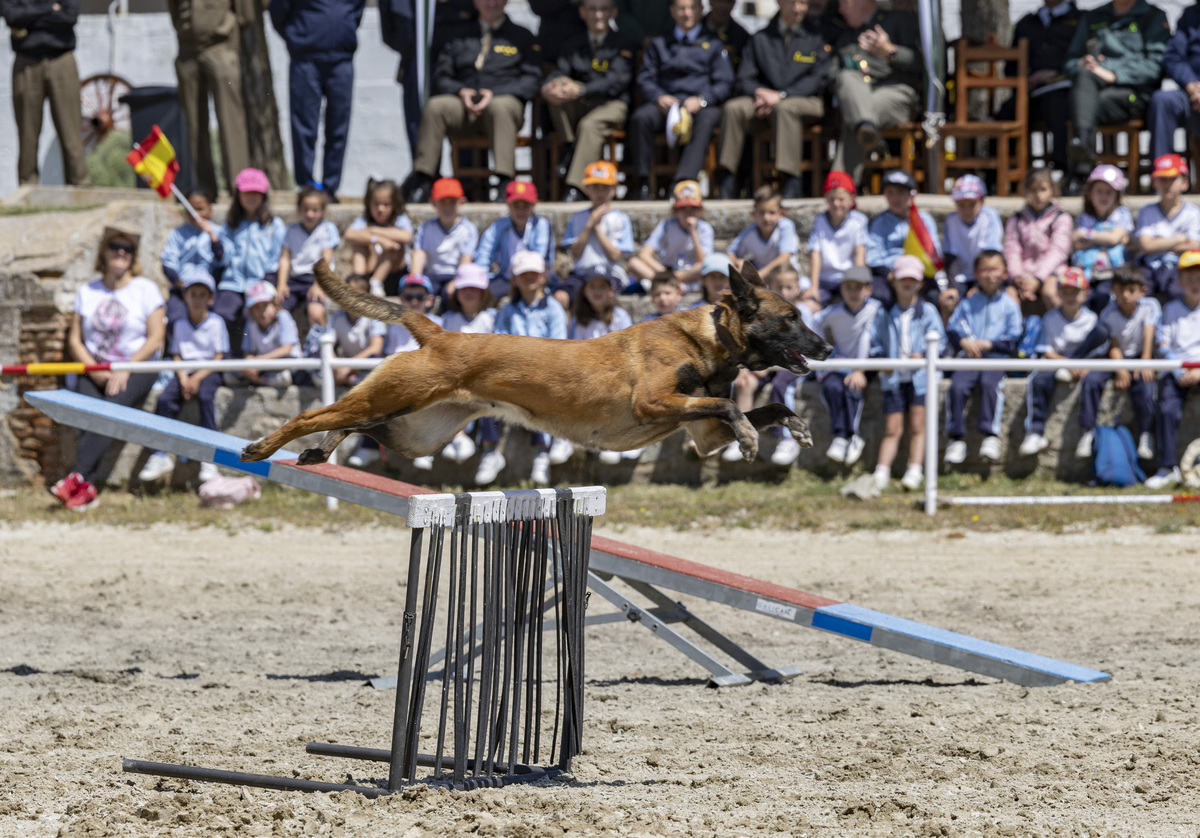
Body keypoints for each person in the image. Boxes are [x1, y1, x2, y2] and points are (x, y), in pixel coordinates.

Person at [52, 226, 166, 511]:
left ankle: (76, 477)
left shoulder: (145, 289)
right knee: (90, 413)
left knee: (109, 412)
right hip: (95, 367)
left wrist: (126, 368)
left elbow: (156, 338)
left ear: (133, 256)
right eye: (115, 246)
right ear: (103, 252)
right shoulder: (88, 291)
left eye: (127, 249)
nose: (121, 253)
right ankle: (86, 489)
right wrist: (93, 369)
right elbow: (75, 339)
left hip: (138, 367)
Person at [401, 0, 543, 203]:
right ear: (475, 3)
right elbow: (441, 77)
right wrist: (461, 92)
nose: (491, 3)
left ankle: (504, 181)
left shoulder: (521, 35)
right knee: (435, 107)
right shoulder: (459, 36)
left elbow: (532, 80)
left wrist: (495, 93)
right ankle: (423, 178)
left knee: (499, 107)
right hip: (465, 106)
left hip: (503, 106)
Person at [715, 0, 831, 200]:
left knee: (785, 109)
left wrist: (781, 95)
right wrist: (760, 93)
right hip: (765, 100)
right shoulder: (760, 38)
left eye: (802, 3)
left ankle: (791, 181)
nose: (798, 8)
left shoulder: (817, 38)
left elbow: (819, 79)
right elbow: (744, 77)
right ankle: (726, 181)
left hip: (805, 101)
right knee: (733, 108)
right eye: (792, 3)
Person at [628, 0, 734, 200]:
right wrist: (658, 96)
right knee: (641, 118)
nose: (687, 13)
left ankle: (682, 182)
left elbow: (725, 82)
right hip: (666, 105)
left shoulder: (714, 43)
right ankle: (642, 183)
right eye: (682, 8)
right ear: (672, 11)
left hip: (700, 105)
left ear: (701, 10)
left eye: (692, 8)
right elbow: (645, 78)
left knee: (709, 119)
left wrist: (702, 100)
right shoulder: (659, 43)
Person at [482, 251, 573, 485]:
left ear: (543, 276)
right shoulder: (508, 309)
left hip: (544, 371)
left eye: (534, 273)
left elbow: (558, 346)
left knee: (538, 392)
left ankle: (542, 452)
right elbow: (499, 341)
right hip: (513, 371)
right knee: (484, 391)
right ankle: (490, 451)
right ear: (515, 278)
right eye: (524, 274)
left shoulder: (553, 308)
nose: (529, 278)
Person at [1062, 0, 1169, 187]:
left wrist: (1113, 73)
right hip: (1093, 90)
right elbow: (1070, 61)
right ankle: (1083, 147)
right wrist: (1083, 62)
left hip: (1134, 93)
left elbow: (1155, 66)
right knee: (1082, 80)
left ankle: (1081, 167)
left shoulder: (1153, 16)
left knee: (1083, 103)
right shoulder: (1093, 16)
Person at [138, 267, 229, 486]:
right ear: (185, 297)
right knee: (164, 400)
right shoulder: (179, 324)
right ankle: (160, 454)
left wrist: (197, 378)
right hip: (185, 373)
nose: (197, 300)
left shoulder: (216, 323)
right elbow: (177, 354)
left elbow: (219, 357)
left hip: (208, 372)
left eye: (202, 295)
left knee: (206, 398)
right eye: (193, 294)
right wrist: (183, 377)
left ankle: (210, 455)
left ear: (210, 298)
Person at [540, 0, 636, 201]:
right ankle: (570, 147)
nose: (598, 15)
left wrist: (581, 89)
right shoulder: (572, 42)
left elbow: (617, 81)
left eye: (603, 9)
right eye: (592, 9)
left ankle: (576, 188)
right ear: (582, 12)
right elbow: (560, 71)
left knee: (589, 125)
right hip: (581, 102)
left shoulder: (623, 42)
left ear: (613, 12)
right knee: (556, 96)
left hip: (612, 104)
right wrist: (550, 86)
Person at [269, 0, 365, 199]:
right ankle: (306, 186)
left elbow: (357, 11)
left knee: (338, 126)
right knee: (304, 126)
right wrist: (298, 37)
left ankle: (330, 188)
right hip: (306, 60)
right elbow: (278, 12)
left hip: (341, 60)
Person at [870, 254, 945, 490]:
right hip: (893, 378)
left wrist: (923, 355)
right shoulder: (884, 313)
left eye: (913, 279)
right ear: (893, 281)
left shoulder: (929, 311)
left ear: (920, 283)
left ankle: (915, 469)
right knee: (892, 428)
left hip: (920, 378)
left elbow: (940, 342)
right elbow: (876, 343)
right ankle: (882, 471)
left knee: (917, 426)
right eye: (903, 278)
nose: (908, 283)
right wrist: (882, 361)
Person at [943, 250, 1023, 467]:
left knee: (990, 384)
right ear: (976, 273)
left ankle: (990, 435)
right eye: (984, 270)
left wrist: (990, 344)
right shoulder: (968, 303)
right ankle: (956, 438)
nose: (990, 275)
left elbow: (1013, 340)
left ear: (1004, 273)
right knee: (957, 387)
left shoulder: (1009, 305)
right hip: (969, 359)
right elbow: (953, 328)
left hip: (996, 360)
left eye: (995, 269)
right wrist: (964, 343)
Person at [829, 0, 922, 185]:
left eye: (844, 3)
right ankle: (866, 128)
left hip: (896, 95)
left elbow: (922, 63)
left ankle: (840, 188)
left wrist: (890, 51)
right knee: (847, 79)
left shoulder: (899, 20)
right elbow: (832, 77)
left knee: (856, 117)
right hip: (859, 94)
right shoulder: (845, 37)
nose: (840, 10)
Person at [1018, 268, 1108, 457]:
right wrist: (1068, 364)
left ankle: (1088, 433)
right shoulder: (1050, 318)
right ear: (1058, 293)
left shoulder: (1092, 319)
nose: (1069, 296)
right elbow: (1046, 350)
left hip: (1085, 363)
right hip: (1058, 362)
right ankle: (1034, 431)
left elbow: (1099, 350)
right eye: (1065, 291)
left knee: (1093, 377)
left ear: (1085, 293)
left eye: (1074, 291)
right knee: (1037, 379)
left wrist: (1083, 365)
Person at [166, 0, 252, 196]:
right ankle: (205, 187)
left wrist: (228, 34)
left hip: (220, 47)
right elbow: (174, 9)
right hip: (188, 50)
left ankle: (239, 188)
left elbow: (245, 15)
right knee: (195, 124)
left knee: (231, 121)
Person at [1075, 264, 1159, 461]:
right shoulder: (1108, 313)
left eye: (1131, 290)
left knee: (1146, 387)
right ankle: (1087, 431)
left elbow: (1149, 335)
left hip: (1140, 357)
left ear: (1142, 291)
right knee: (1091, 380)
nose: (1126, 296)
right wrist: (1121, 368)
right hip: (1115, 358)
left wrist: (1145, 361)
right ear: (1113, 290)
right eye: (1121, 290)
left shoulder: (1150, 306)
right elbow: (1113, 344)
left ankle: (1147, 435)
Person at [3, 0, 91, 187]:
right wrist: (50, 8)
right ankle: (28, 191)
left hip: (62, 60)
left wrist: (30, 15)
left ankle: (80, 188)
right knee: (27, 136)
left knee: (71, 134)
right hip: (26, 61)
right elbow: (11, 16)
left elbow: (70, 16)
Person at [1002, 0, 1082, 175]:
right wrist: (1026, 79)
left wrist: (1055, 74)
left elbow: (1085, 61)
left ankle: (1062, 170)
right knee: (1005, 113)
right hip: (1031, 94)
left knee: (1058, 106)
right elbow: (1010, 68)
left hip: (1066, 94)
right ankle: (999, 176)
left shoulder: (1081, 20)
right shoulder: (1026, 23)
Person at [568, 265, 635, 464]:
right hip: (587, 374)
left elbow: (627, 351)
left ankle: (616, 441)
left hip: (616, 373)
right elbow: (574, 351)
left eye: (602, 286)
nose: (597, 291)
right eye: (592, 286)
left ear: (611, 290)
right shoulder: (579, 320)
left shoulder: (620, 317)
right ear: (584, 291)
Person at [813, 265, 879, 467]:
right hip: (841, 363)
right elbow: (815, 323)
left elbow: (868, 341)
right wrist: (826, 352)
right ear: (841, 289)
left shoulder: (876, 309)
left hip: (870, 363)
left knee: (852, 387)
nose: (852, 292)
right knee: (832, 387)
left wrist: (860, 370)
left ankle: (850, 434)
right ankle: (843, 436)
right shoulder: (833, 313)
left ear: (868, 289)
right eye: (848, 287)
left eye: (858, 288)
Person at [218, 168, 286, 354]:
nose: (251, 197)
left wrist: (269, 284)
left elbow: (276, 257)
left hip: (260, 282)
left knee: (251, 316)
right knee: (223, 314)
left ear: (264, 195)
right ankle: (227, 361)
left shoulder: (274, 225)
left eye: (256, 192)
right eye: (247, 192)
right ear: (238, 194)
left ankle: (249, 361)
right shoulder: (231, 223)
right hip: (232, 282)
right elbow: (224, 255)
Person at [1147, 250, 1200, 489]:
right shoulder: (1170, 309)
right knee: (1167, 408)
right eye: (1189, 278)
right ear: (1179, 281)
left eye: (1198, 278)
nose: (1194, 284)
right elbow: (1163, 343)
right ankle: (1167, 467)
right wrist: (1179, 371)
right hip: (1176, 370)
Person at [382, 273, 445, 470]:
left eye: (420, 297)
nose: (414, 302)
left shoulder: (440, 324)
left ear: (430, 300)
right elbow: (388, 357)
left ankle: (426, 449)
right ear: (401, 300)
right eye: (409, 297)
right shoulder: (394, 329)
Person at [437, 264, 497, 465]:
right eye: (464, 288)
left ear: (483, 292)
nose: (469, 292)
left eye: (475, 288)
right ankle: (454, 439)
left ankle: (489, 451)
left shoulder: (490, 319)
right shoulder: (447, 319)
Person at [559, 160, 636, 307]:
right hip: (582, 273)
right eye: (595, 187)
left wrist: (597, 228)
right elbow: (575, 252)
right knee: (561, 296)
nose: (600, 192)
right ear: (587, 188)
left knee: (606, 297)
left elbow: (614, 255)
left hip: (609, 272)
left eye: (605, 188)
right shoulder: (577, 217)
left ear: (614, 189)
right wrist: (589, 225)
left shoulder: (620, 218)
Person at [766, 265, 819, 466]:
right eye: (779, 287)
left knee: (782, 385)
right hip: (775, 361)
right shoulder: (768, 314)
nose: (784, 292)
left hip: (798, 363)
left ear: (797, 288)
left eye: (789, 287)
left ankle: (788, 437)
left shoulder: (803, 312)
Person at [866, 169, 941, 306]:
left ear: (912, 195)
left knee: (934, 298)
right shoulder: (879, 222)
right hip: (888, 274)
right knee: (878, 297)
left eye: (901, 193)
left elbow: (933, 251)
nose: (896, 198)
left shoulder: (924, 220)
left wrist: (915, 273)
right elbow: (873, 255)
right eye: (890, 193)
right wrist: (890, 274)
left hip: (918, 273)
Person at [1003, 167, 1073, 312]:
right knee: (1008, 297)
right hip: (1022, 274)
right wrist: (1018, 277)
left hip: (1052, 272)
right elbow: (1012, 250)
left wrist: (1038, 278)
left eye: (1043, 189)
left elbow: (1058, 251)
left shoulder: (1061, 218)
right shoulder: (1016, 219)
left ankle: (1058, 332)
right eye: (1033, 189)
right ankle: (1014, 334)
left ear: (1052, 190)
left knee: (1050, 293)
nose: (1038, 195)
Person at [474, 180, 556, 301]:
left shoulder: (541, 225)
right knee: (480, 295)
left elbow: (540, 258)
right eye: (516, 205)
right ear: (508, 205)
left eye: (526, 205)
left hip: (534, 278)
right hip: (506, 279)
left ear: (534, 205)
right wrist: (482, 278)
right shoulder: (498, 227)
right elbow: (484, 254)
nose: (520, 210)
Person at [1136, 154, 1200, 301]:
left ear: (1184, 182)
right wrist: (1179, 238)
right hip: (1149, 266)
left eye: (1173, 179)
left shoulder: (1193, 213)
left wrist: (1159, 243)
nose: (1167, 184)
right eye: (1162, 179)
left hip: (1182, 266)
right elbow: (1146, 246)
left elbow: (1195, 245)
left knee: (1179, 291)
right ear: (1154, 182)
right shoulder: (1147, 211)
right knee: (1139, 291)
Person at [277, 185, 339, 337]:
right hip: (294, 280)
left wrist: (318, 285)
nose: (310, 214)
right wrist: (281, 284)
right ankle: (289, 347)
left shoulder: (327, 229)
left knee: (315, 312)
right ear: (299, 210)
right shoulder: (291, 231)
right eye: (305, 209)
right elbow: (285, 258)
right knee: (277, 311)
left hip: (318, 279)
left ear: (323, 211)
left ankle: (324, 349)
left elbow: (326, 259)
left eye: (315, 210)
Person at [628, 180, 714, 289]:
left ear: (700, 210)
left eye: (693, 208)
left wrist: (693, 232)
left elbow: (703, 261)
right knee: (633, 263)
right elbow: (644, 254)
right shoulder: (666, 225)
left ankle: (667, 284)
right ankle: (670, 283)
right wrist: (665, 273)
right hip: (665, 270)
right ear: (675, 210)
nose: (688, 213)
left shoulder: (705, 228)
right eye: (683, 208)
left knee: (706, 267)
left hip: (690, 273)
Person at [1071, 164, 1131, 313]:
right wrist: (1106, 238)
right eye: (1099, 191)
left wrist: (1088, 236)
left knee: (1103, 297)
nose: (1104, 196)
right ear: (1090, 194)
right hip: (1087, 272)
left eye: (1109, 192)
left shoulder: (1122, 214)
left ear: (1117, 195)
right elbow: (1077, 244)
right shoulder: (1085, 217)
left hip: (1112, 273)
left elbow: (1114, 239)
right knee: (1084, 298)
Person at [161, 188, 224, 326]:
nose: (196, 214)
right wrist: (179, 283)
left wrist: (213, 238)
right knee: (175, 317)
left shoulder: (220, 232)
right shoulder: (177, 234)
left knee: (218, 317)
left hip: (210, 290)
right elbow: (168, 262)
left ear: (210, 210)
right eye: (190, 210)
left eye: (200, 209)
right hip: (183, 289)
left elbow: (223, 260)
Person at [409, 178, 480, 298]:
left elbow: (466, 260)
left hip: (455, 275)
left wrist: (457, 281)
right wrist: (414, 282)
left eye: (452, 202)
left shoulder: (468, 229)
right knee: (418, 295)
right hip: (431, 275)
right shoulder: (426, 228)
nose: (447, 207)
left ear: (461, 202)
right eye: (443, 202)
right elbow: (419, 255)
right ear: (433, 203)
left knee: (451, 295)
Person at [343, 178, 413, 298]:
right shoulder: (364, 221)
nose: (381, 209)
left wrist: (373, 230)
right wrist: (377, 239)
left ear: (395, 204)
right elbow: (349, 234)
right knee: (359, 246)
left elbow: (406, 236)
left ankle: (376, 281)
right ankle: (358, 282)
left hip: (395, 274)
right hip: (370, 268)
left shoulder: (400, 220)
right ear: (368, 203)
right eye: (376, 204)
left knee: (395, 245)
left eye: (386, 204)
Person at [808, 170, 868, 309]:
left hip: (849, 280)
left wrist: (859, 283)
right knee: (808, 306)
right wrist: (813, 286)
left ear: (852, 199)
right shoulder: (820, 221)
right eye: (832, 199)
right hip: (825, 281)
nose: (836, 203)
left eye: (841, 199)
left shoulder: (858, 221)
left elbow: (860, 255)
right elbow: (815, 254)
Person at [1149, 3, 1200, 161]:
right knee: (1162, 100)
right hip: (1192, 94)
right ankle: (1164, 176)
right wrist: (1191, 84)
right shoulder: (1191, 15)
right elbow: (1173, 57)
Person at [942, 174, 1004, 302]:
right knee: (948, 301)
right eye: (961, 205)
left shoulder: (990, 217)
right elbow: (949, 256)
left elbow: (990, 255)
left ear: (981, 201)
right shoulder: (950, 220)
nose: (966, 210)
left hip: (985, 276)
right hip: (959, 277)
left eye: (971, 204)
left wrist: (978, 286)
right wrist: (952, 287)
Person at [232, 280, 300, 387]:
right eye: (256, 307)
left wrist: (257, 361)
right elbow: (249, 352)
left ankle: (259, 381)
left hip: (287, 363)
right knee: (232, 373)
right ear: (250, 311)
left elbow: (286, 349)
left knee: (285, 375)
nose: (262, 311)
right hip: (263, 364)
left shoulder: (283, 316)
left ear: (275, 304)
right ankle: (258, 379)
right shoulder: (251, 323)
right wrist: (249, 361)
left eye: (265, 305)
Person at [726, 187, 801, 280]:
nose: (766, 218)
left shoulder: (785, 227)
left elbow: (784, 258)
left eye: (772, 212)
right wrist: (738, 263)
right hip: (761, 283)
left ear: (782, 213)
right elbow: (730, 253)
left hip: (786, 281)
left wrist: (757, 276)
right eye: (761, 212)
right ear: (754, 214)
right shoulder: (749, 232)